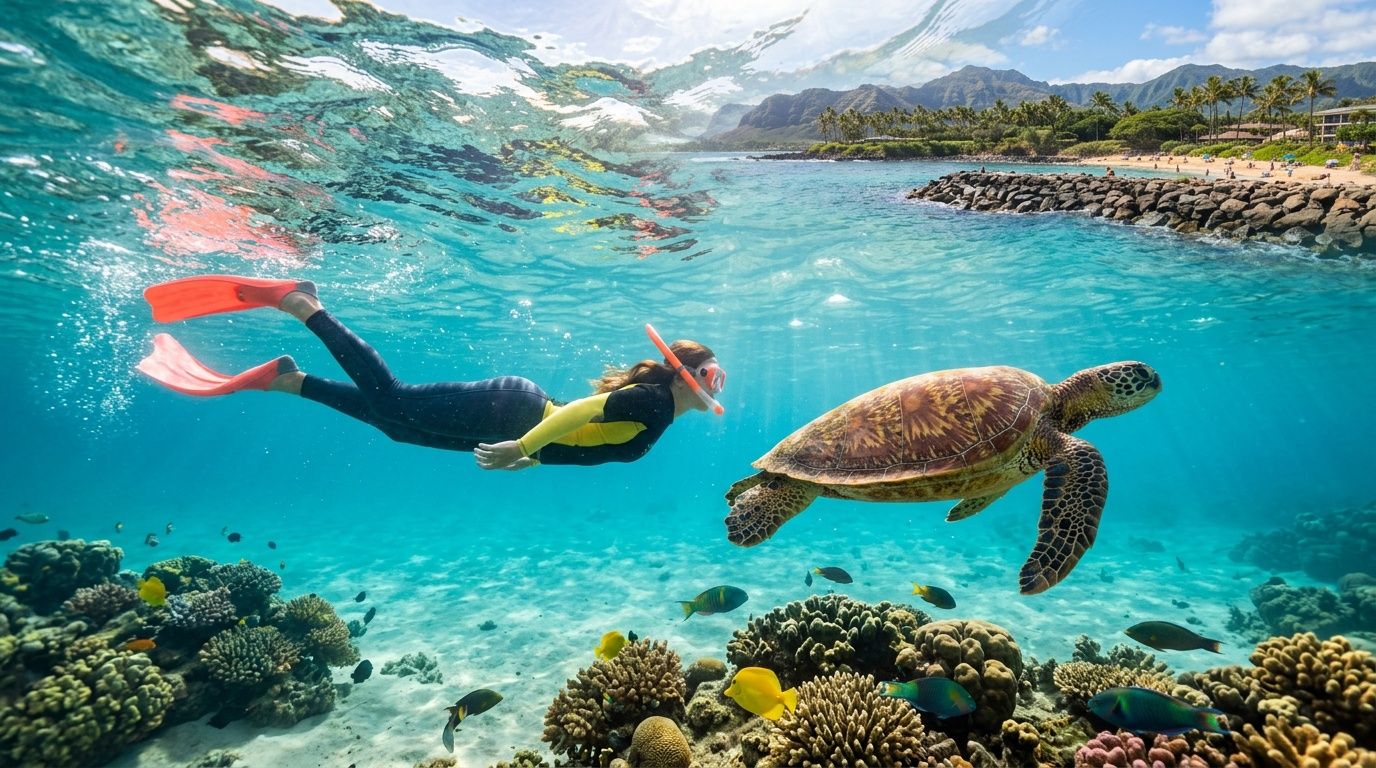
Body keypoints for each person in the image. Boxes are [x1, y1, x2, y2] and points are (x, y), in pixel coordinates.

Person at [135, 275, 725, 470]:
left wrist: (530, 460)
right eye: (712, 373)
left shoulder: (663, 410)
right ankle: (301, 303)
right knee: (390, 399)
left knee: (397, 425)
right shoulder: (653, 402)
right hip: (516, 411)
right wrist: (523, 443)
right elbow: (580, 414)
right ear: (683, 375)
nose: (717, 384)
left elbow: (584, 447)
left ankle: (292, 380)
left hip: (521, 424)